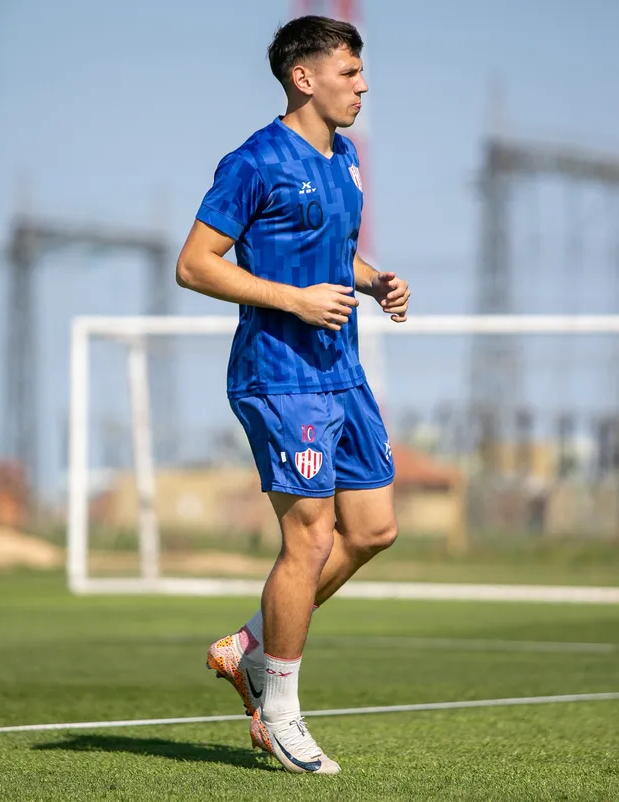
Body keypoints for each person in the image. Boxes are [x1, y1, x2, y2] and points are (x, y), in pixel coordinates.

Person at [176, 14, 410, 775]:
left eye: (361, 73)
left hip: (342, 369)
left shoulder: (343, 157)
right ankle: (280, 714)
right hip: (279, 376)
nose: (364, 86)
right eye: (349, 74)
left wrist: (372, 281)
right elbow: (196, 264)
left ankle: (248, 646)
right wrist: (295, 300)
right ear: (303, 78)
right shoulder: (253, 161)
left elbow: (336, 246)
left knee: (372, 530)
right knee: (307, 539)